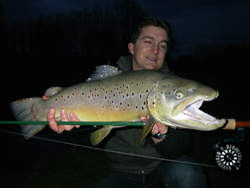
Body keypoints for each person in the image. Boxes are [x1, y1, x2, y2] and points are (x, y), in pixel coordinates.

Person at [46, 17, 208, 188]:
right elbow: (89, 133)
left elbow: (180, 148)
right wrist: (63, 121)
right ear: (131, 47)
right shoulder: (109, 79)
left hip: (163, 168)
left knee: (187, 173)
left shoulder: (175, 88)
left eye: (162, 46)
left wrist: (161, 135)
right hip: (122, 175)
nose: (155, 50)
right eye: (148, 42)